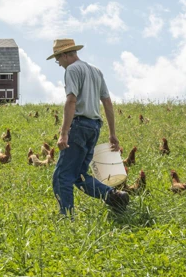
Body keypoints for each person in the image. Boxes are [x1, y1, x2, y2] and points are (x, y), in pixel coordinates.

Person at [47, 39, 129, 216]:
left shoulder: (72, 69)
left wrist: (63, 133)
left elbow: (71, 100)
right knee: (79, 176)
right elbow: (106, 101)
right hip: (94, 127)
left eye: (57, 59)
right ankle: (114, 196)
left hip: (78, 126)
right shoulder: (95, 71)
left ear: (65, 55)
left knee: (62, 175)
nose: (59, 63)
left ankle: (66, 217)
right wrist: (112, 133)